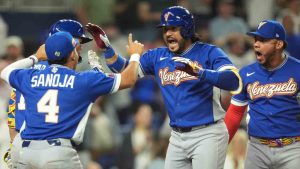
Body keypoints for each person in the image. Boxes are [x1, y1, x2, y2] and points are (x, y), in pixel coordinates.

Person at [86, 6, 242, 169]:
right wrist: (107, 49)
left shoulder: (209, 52)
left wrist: (200, 72)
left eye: (173, 28)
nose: (168, 34)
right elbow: (126, 71)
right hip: (176, 136)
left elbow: (234, 81)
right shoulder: (157, 56)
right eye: (165, 29)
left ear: (187, 29)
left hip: (208, 134)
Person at [0, 31, 143, 169]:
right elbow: (129, 79)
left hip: (26, 153)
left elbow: (5, 72)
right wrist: (135, 55)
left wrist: (35, 57)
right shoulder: (84, 80)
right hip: (58, 153)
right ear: (72, 55)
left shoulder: (30, 76)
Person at [2, 19, 95, 169]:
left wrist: (14, 143)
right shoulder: (61, 73)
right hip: (48, 147)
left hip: (23, 144)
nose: (81, 46)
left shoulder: (27, 69)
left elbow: (13, 109)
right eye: (78, 41)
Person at [224, 20, 300, 169]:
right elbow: (234, 114)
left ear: (278, 44)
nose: (256, 44)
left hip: (293, 148)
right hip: (256, 149)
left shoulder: (297, 69)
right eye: (255, 40)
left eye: (263, 40)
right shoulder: (246, 73)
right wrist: (221, 145)